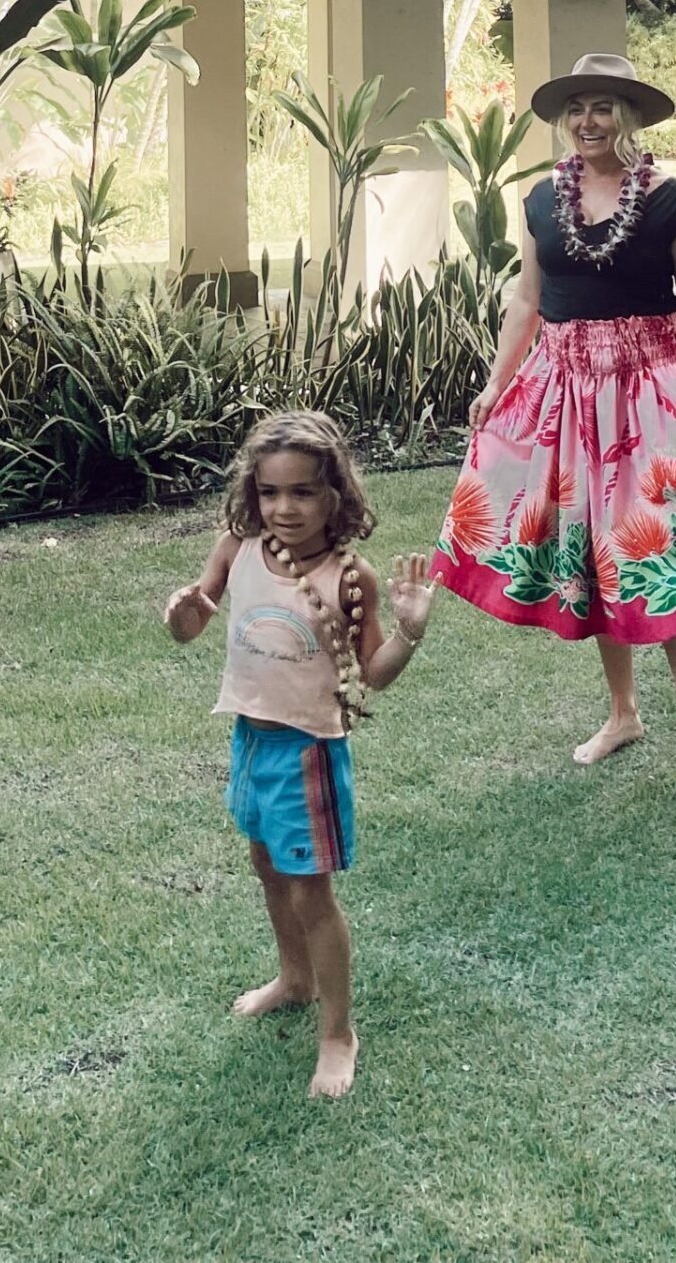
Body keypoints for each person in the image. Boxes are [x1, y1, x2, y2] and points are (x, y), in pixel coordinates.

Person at [431, 52, 676, 830]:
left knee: (662, 564)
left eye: (605, 107)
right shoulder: (541, 201)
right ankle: (623, 713)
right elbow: (527, 301)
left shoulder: (672, 202)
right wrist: (495, 380)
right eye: (577, 107)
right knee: (589, 556)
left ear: (631, 116)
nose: (589, 121)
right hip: (564, 390)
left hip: (650, 393)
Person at [164, 408, 435, 1100]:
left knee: (310, 889)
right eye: (269, 492)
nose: (283, 508)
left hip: (308, 751)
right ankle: (294, 978)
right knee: (264, 863)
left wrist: (407, 633)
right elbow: (195, 620)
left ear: (335, 494)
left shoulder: (351, 577)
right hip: (250, 736)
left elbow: (371, 671)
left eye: (302, 492)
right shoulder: (238, 546)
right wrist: (183, 613)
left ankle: (338, 1030)